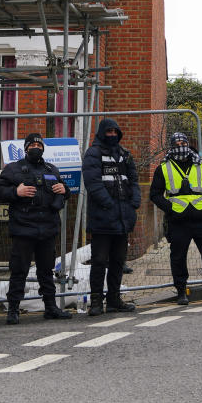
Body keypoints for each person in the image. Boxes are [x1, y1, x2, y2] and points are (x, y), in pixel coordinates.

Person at [0, 132, 72, 324]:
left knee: (46, 270)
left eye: (39, 145)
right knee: (19, 270)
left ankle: (51, 307)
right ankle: (13, 309)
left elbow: (63, 191)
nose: (36, 148)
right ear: (25, 148)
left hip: (47, 228)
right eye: (32, 145)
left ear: (43, 148)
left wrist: (64, 190)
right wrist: (15, 192)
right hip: (23, 228)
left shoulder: (51, 169)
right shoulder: (13, 169)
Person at [149, 132, 202, 306]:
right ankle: (181, 292)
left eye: (183, 142)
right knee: (178, 256)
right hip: (178, 220)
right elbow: (155, 195)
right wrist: (171, 208)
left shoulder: (201, 164)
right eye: (177, 143)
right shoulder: (164, 167)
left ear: (188, 144)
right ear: (172, 146)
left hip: (200, 218)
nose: (181, 145)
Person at [82, 117, 140, 315]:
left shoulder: (125, 154)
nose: (113, 135)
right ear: (102, 133)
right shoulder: (93, 153)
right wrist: (109, 205)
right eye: (109, 132)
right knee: (99, 261)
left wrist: (134, 203)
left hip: (122, 218)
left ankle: (114, 300)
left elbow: (133, 180)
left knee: (117, 262)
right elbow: (93, 184)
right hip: (102, 219)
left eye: (115, 132)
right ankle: (96, 301)